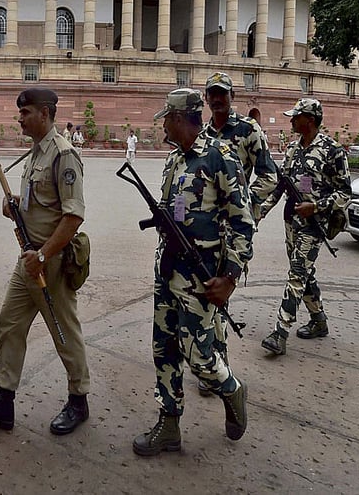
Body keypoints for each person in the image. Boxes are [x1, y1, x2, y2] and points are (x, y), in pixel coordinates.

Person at [133, 88, 253, 457]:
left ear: (181, 118)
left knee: (200, 358)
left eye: (166, 118)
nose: (163, 124)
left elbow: (243, 223)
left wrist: (230, 277)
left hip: (202, 279)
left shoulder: (220, 158)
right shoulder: (174, 160)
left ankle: (231, 388)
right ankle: (169, 425)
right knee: (163, 349)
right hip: (168, 269)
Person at [0, 87, 91, 436]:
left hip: (50, 262)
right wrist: (16, 205)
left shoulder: (64, 155)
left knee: (64, 333)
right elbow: (41, 204)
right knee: (10, 324)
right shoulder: (34, 154)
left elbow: (72, 216)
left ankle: (78, 400)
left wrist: (43, 255)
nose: (19, 118)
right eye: (19, 113)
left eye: (26, 112)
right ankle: (3, 402)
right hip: (28, 261)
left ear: (46, 114)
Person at [199, 72, 278, 395]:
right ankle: (214, 366)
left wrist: (248, 209)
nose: (218, 99)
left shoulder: (248, 130)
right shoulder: (202, 133)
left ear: (232, 97)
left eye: (223, 94)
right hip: (205, 230)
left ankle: (218, 370)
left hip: (232, 229)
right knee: (208, 295)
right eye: (213, 94)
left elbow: (269, 176)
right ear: (206, 98)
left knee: (219, 295)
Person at [259, 98, 351, 356]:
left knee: (297, 274)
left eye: (295, 117)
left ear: (309, 120)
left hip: (314, 224)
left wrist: (318, 206)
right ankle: (319, 321)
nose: (291, 120)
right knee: (304, 273)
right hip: (291, 222)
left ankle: (280, 332)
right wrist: (260, 212)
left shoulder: (333, 151)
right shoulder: (291, 149)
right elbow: (281, 186)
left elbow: (345, 192)